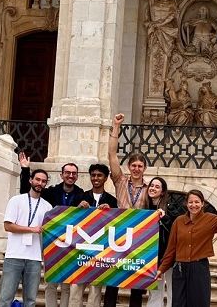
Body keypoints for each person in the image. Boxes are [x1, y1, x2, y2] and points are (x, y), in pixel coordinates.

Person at [19, 153, 89, 307]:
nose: (70, 176)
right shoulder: (50, 192)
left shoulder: (82, 194)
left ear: (77, 176)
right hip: (51, 242)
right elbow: (27, 192)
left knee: (66, 283)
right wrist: (25, 169)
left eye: (74, 174)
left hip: (71, 244)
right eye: (67, 173)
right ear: (61, 175)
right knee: (51, 281)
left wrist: (85, 208)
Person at [105, 113, 149, 307]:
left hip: (139, 237)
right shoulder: (120, 181)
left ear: (145, 168)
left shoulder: (150, 189)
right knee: (113, 280)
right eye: (133, 165)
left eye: (140, 166)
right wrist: (116, 127)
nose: (136, 169)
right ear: (129, 167)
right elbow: (112, 155)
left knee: (137, 283)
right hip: (119, 234)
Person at [0, 169, 53, 307]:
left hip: (34, 258)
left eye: (43, 181)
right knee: (5, 298)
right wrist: (32, 229)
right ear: (31, 180)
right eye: (38, 179)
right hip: (14, 255)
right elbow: (8, 226)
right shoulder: (16, 200)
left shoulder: (47, 206)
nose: (40, 183)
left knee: (31, 300)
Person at [69, 163, 118, 307]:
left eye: (99, 175)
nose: (96, 178)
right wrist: (77, 209)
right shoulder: (80, 196)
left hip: (100, 253)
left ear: (106, 178)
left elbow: (116, 226)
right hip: (80, 251)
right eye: (93, 175)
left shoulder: (112, 201)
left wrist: (111, 212)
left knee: (95, 292)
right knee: (75, 289)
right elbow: (70, 221)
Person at [146, 177, 173, 307]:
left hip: (168, 256)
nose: (153, 188)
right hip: (152, 258)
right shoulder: (144, 208)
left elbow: (175, 227)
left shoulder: (170, 207)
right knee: (154, 292)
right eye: (152, 185)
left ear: (162, 192)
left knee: (172, 291)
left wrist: (165, 217)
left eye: (157, 187)